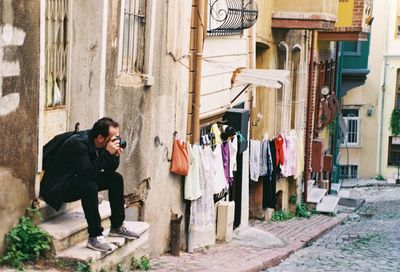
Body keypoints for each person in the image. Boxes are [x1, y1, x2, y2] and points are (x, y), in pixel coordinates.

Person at [40, 117, 138, 252]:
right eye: (113, 139)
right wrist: (107, 154)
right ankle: (95, 236)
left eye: (117, 137)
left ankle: (117, 226)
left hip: (76, 178)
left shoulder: (101, 143)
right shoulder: (78, 144)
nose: (116, 141)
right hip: (59, 187)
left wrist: (114, 155)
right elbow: (87, 173)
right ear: (100, 138)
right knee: (89, 186)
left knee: (115, 179)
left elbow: (109, 170)